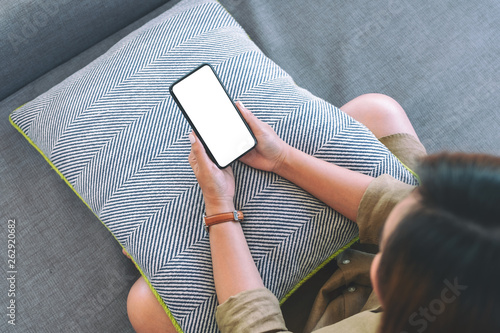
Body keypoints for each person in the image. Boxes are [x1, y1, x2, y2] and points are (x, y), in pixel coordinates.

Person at [124, 93, 500, 332]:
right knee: (375, 110)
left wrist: (220, 207)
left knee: (147, 305)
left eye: (389, 246)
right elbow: (390, 202)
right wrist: (282, 158)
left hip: (338, 312)